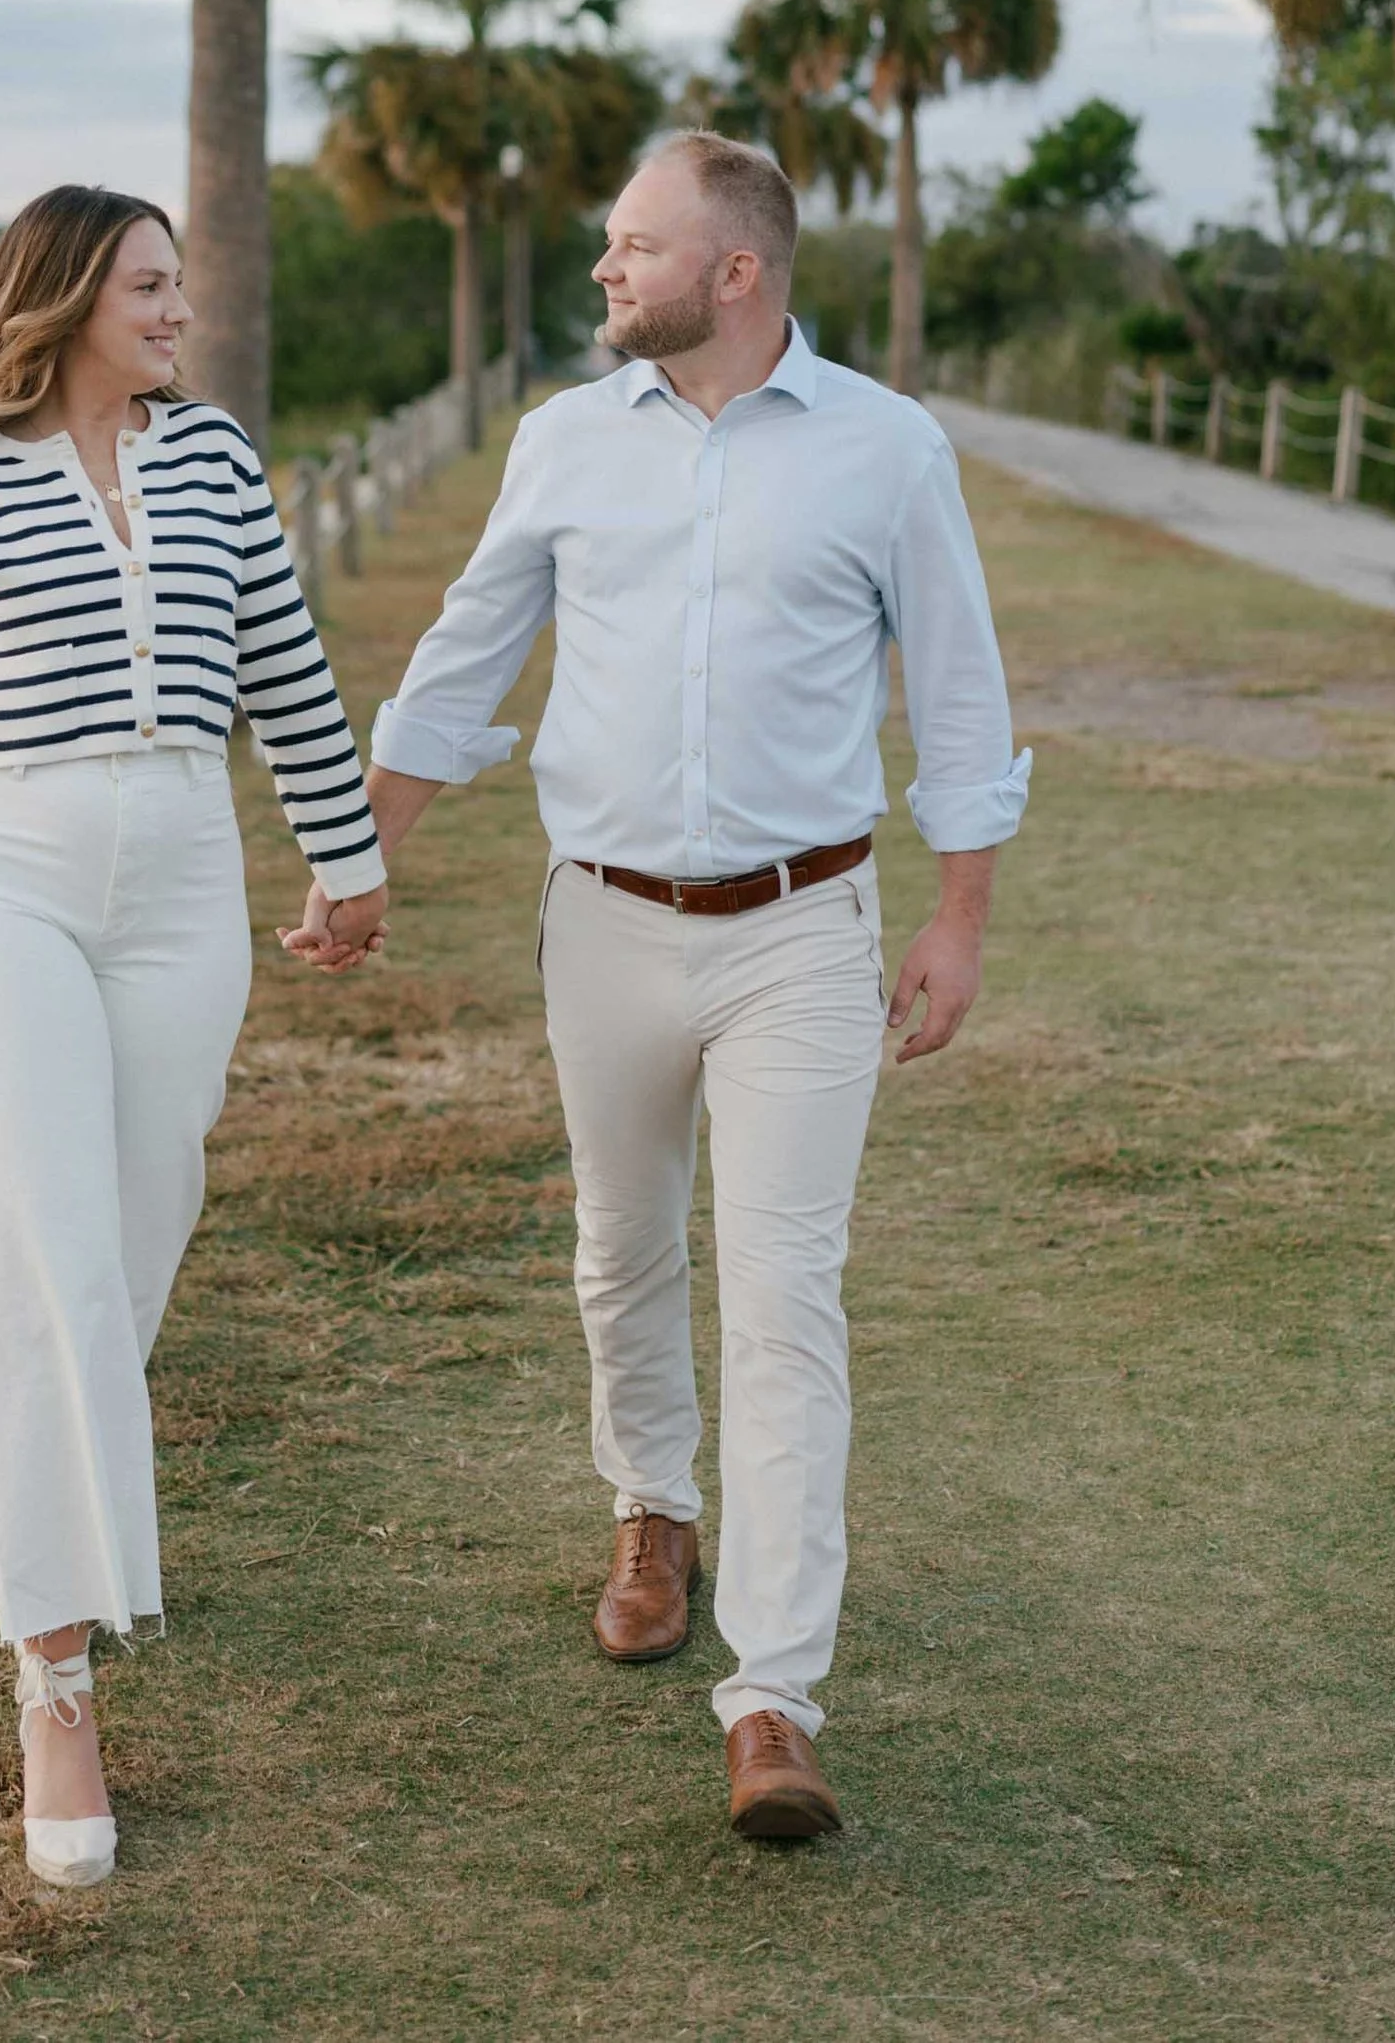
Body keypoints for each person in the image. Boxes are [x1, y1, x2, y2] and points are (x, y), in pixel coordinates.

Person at [284, 132, 1029, 1841]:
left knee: (785, 1297)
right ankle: (651, 1510)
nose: (606, 267)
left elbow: (962, 696)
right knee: (621, 1248)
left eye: (636, 243)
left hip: (803, 930)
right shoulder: (564, 441)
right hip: (604, 919)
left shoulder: (887, 449)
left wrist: (959, 917)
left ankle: (775, 1696)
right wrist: (359, 855)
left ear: (736, 270)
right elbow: (464, 658)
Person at [0, 186, 389, 1888]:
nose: (178, 310)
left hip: (183, 879)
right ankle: (55, 1684)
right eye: (149, 284)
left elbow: (284, 664)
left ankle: (50, 1540)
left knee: (131, 1246)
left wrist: (346, 850)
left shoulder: (213, 459)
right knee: (42, 1263)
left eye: (179, 284)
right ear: (64, 295)